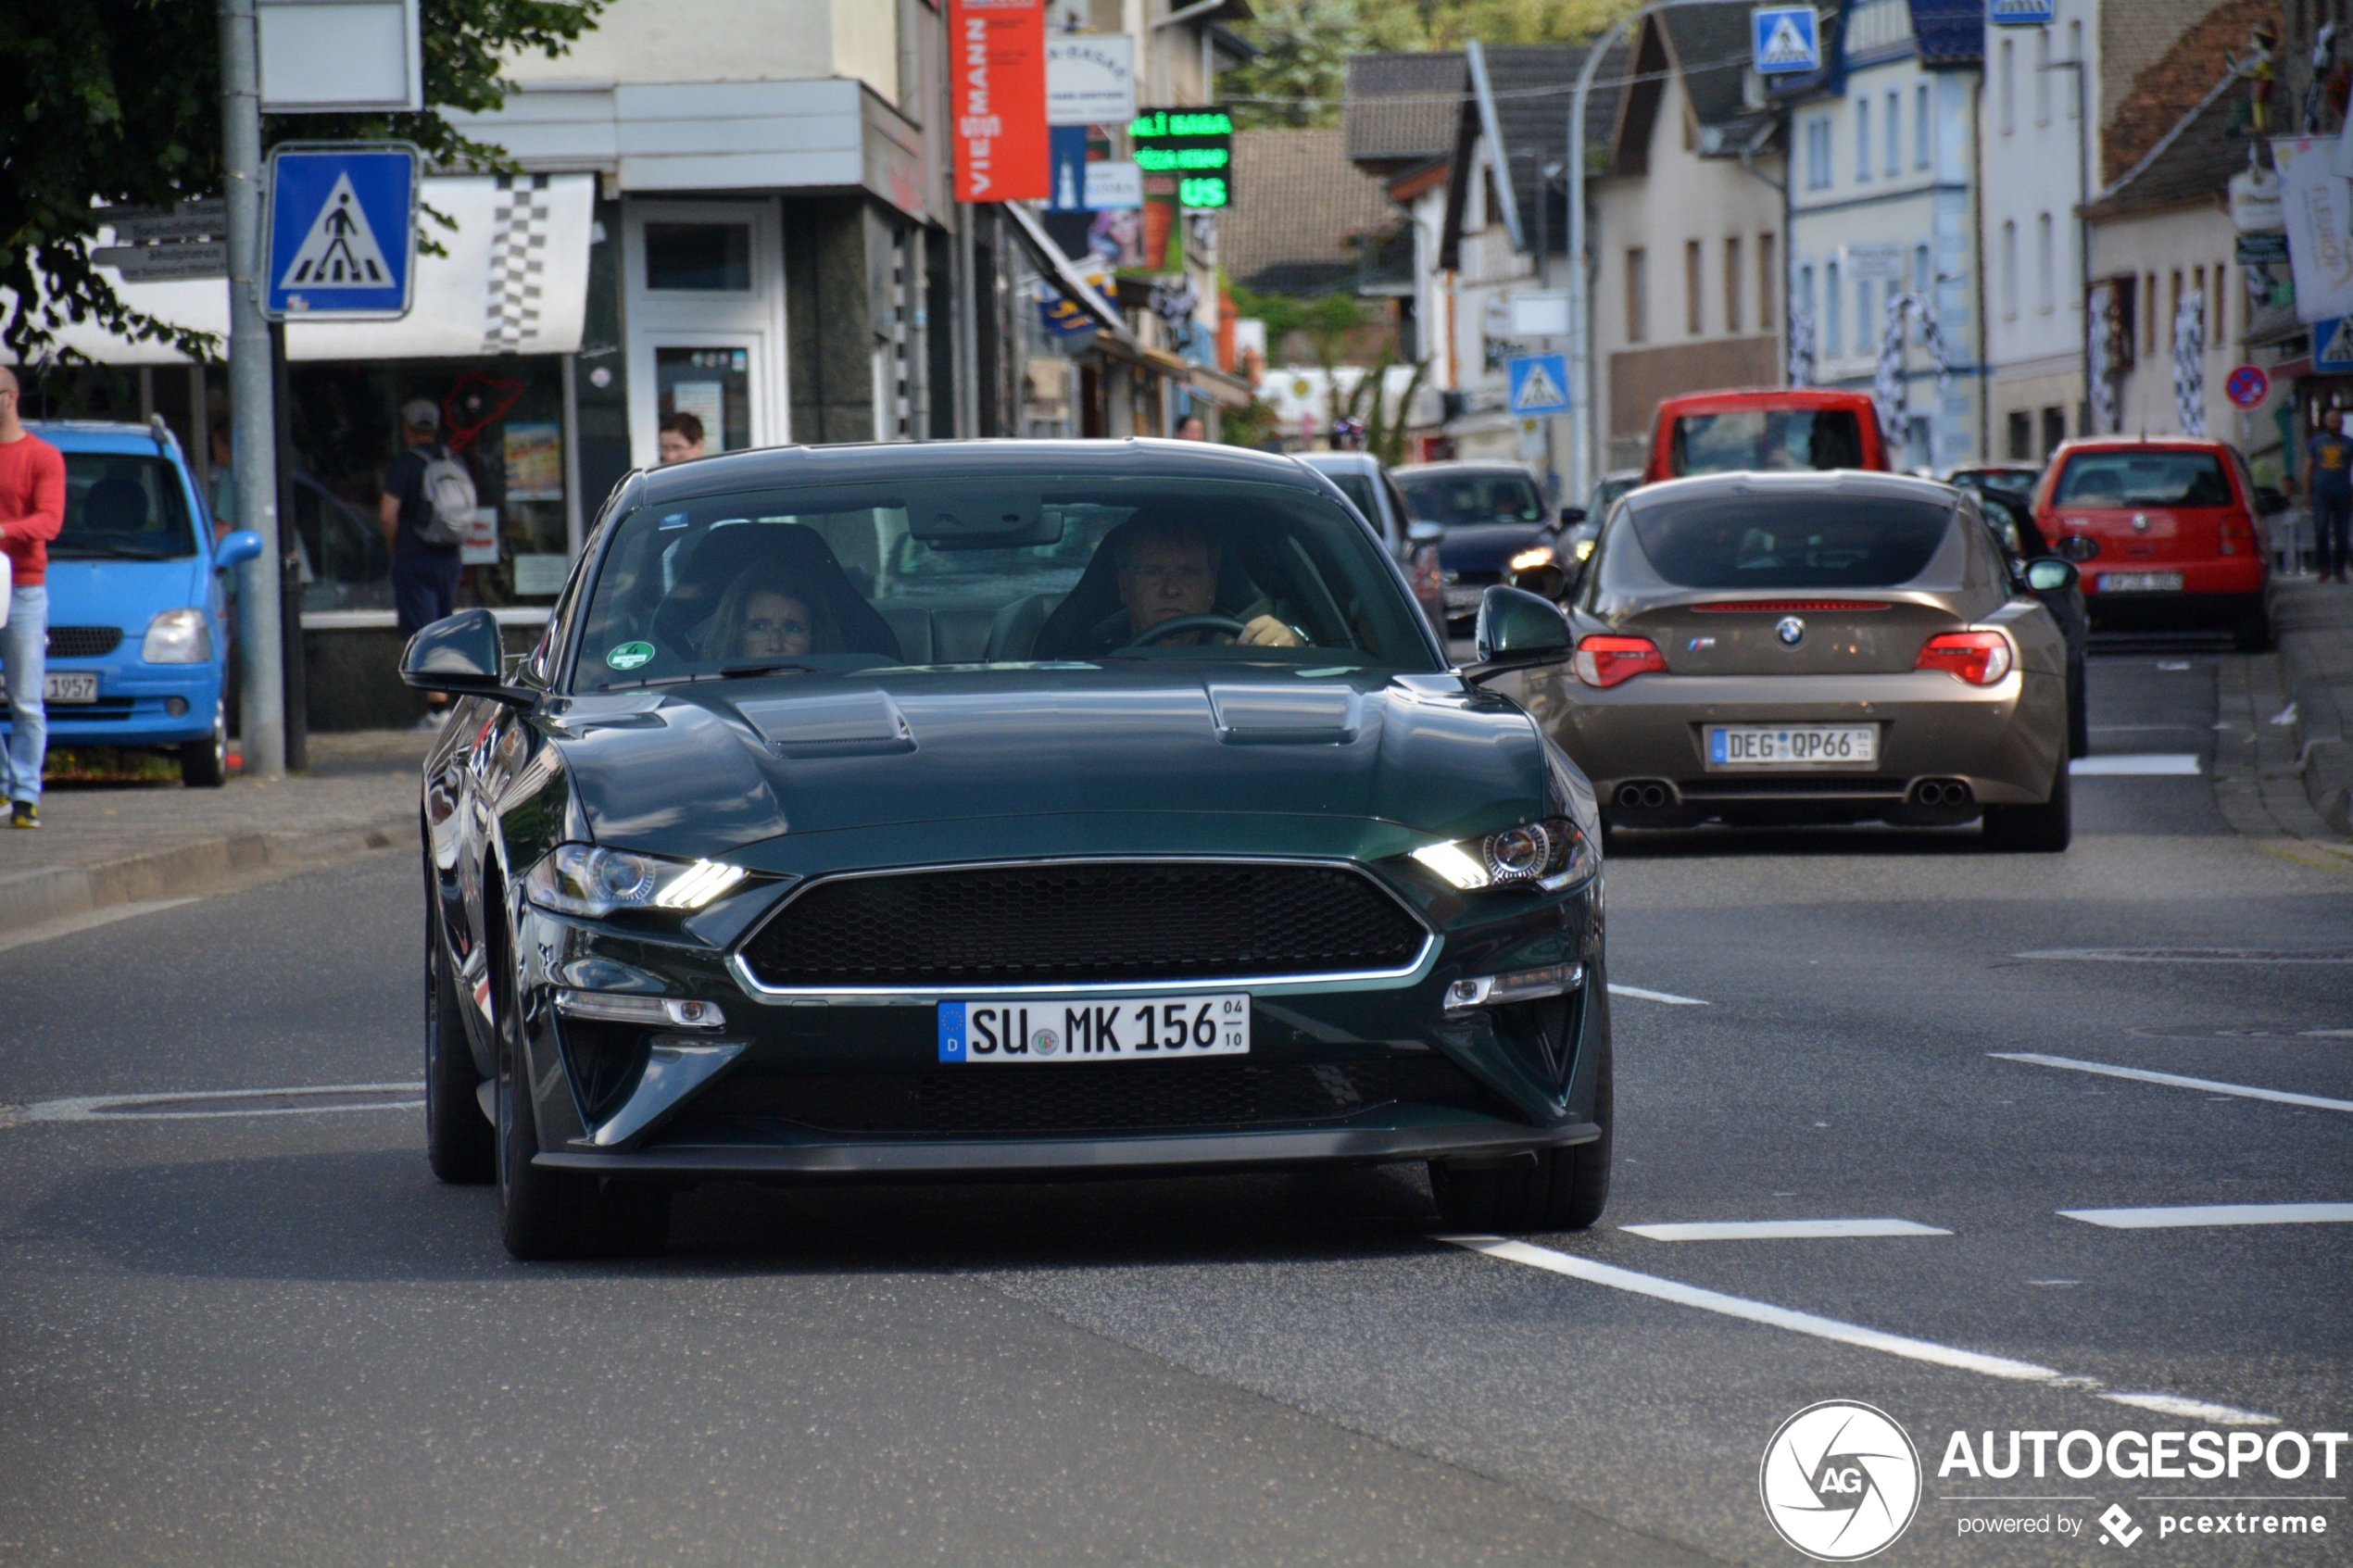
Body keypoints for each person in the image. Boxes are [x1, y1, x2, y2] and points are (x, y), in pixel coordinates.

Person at [0, 367, 66, 828]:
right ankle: (5, 783)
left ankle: (25, 793)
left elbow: (49, 521)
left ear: (10, 397)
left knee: (24, 698)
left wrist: (4, 530)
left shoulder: (42, 456)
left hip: (23, 584)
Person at [379, 398, 466, 726]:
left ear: (407, 428)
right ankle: (451, 707)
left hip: (416, 559)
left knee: (426, 635)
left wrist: (395, 548)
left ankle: (437, 713)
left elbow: (388, 516)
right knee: (445, 630)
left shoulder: (405, 464)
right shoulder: (453, 459)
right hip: (449, 559)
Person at [1113, 518, 1302, 646]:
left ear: (1212, 586)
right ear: (1124, 586)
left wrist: (1293, 647)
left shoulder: (1244, 653)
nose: (1171, 589)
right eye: (1154, 572)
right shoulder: (1089, 661)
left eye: (1188, 572)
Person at [698, 566, 833, 662]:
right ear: (733, 637)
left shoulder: (837, 698)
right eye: (758, 627)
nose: (775, 645)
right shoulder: (702, 699)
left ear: (815, 641)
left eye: (792, 629)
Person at [2308, 406, 2353, 582]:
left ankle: (2340, 570)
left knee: (2342, 533)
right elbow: (2309, 467)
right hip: (2321, 493)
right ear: (2325, 422)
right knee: (2321, 530)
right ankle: (2324, 568)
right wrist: (2307, 493)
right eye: (2331, 420)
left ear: (2342, 423)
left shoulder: (2349, 443)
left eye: (2337, 420)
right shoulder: (2316, 442)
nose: (2335, 423)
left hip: (2343, 493)